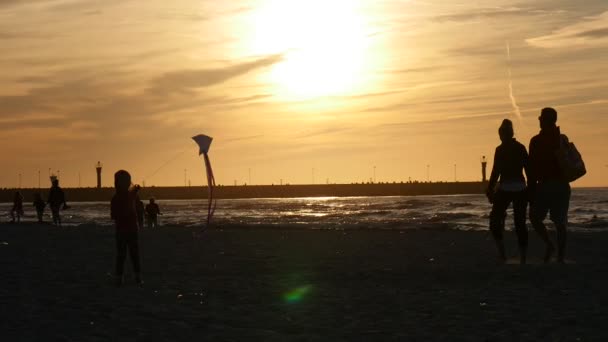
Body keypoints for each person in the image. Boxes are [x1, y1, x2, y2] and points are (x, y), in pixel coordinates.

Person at [528, 107, 571, 263]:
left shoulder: (536, 141)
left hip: (547, 185)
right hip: (561, 185)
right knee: (560, 222)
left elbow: (531, 169)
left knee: (536, 217)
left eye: (540, 118)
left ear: (545, 120)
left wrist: (530, 190)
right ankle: (558, 255)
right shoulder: (562, 138)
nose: (539, 120)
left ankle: (552, 247)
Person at [486, 119, 530, 264]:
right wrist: (531, 189)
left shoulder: (500, 150)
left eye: (502, 134)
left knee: (495, 222)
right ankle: (521, 257)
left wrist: (490, 189)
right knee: (520, 224)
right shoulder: (521, 147)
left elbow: (495, 172)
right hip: (519, 189)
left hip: (506, 188)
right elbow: (529, 171)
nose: (501, 136)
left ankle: (503, 254)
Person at [110, 170, 142, 286]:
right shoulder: (127, 196)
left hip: (123, 230)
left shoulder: (116, 198)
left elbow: (113, 216)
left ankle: (121, 278)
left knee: (123, 255)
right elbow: (115, 215)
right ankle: (135, 278)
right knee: (131, 254)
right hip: (129, 229)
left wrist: (135, 191)